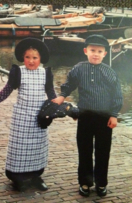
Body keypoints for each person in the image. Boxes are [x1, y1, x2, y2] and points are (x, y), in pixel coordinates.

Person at [52, 34, 123, 197]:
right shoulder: (79, 68)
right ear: (86, 51)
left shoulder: (109, 72)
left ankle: (101, 183)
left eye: (99, 51)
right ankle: (85, 182)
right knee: (84, 150)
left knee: (102, 151)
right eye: (92, 50)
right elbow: (69, 83)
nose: (96, 54)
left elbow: (117, 95)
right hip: (85, 116)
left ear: (105, 54)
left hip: (104, 118)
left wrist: (113, 115)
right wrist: (62, 95)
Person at [0, 38, 57, 192]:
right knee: (19, 147)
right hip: (22, 117)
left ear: (40, 58)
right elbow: (8, 89)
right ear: (23, 57)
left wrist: (57, 107)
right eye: (28, 57)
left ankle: (36, 176)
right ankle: (17, 177)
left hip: (39, 117)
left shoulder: (46, 73)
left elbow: (51, 93)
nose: (31, 61)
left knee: (37, 147)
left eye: (35, 58)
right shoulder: (18, 72)